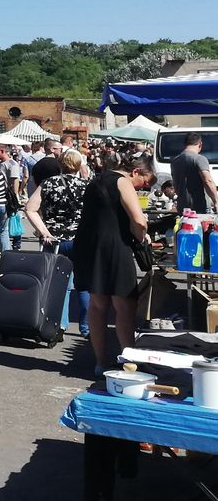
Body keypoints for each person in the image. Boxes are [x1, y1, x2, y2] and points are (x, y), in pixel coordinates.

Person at [73, 150, 152, 377]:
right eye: (143, 183)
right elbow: (138, 219)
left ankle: (101, 362)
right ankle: (130, 362)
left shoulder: (96, 179)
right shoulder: (122, 181)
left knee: (98, 306)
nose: (141, 188)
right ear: (135, 171)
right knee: (125, 305)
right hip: (115, 246)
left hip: (90, 245)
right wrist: (141, 236)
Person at [23, 150, 90, 336]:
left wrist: (45, 231)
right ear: (79, 166)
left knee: (59, 285)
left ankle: (59, 325)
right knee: (84, 284)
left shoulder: (48, 184)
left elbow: (30, 208)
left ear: (60, 165)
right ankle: (86, 327)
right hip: (81, 239)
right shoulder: (88, 186)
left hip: (54, 240)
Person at [171, 132, 217, 217]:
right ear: (200, 144)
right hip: (199, 207)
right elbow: (208, 181)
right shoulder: (199, 159)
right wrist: (216, 201)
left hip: (182, 207)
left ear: (185, 144)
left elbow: (175, 184)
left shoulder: (175, 161)